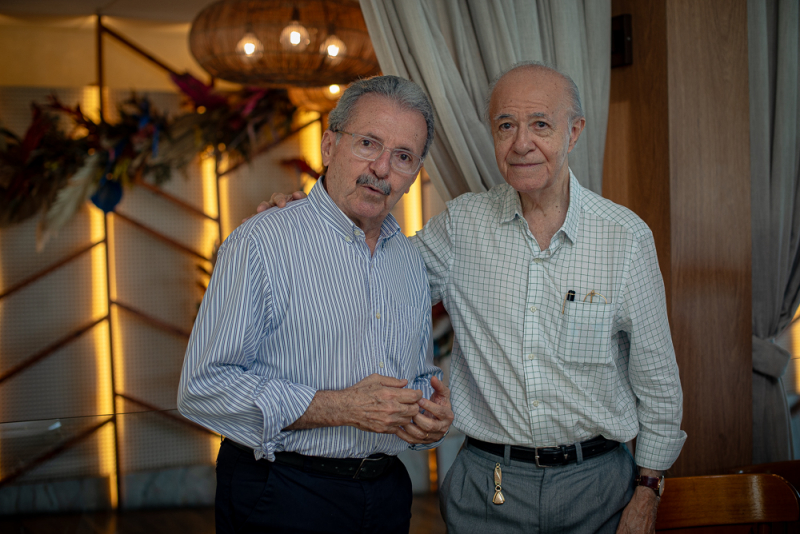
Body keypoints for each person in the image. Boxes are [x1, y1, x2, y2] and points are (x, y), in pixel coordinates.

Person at [263, 63, 686, 534]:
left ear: (574, 132)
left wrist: (648, 489)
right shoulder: (463, 226)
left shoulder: (625, 238)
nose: (521, 143)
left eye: (540, 125)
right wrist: (307, 219)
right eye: (506, 126)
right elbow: (373, 276)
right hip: (488, 489)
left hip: (600, 484)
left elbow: (659, 385)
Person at [178, 75, 454, 534]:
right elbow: (203, 388)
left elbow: (412, 376)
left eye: (403, 156)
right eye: (368, 143)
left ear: (415, 172)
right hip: (284, 492)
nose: (382, 168)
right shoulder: (262, 243)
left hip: (386, 493)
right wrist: (339, 407)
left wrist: (430, 412)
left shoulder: (408, 259)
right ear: (329, 146)